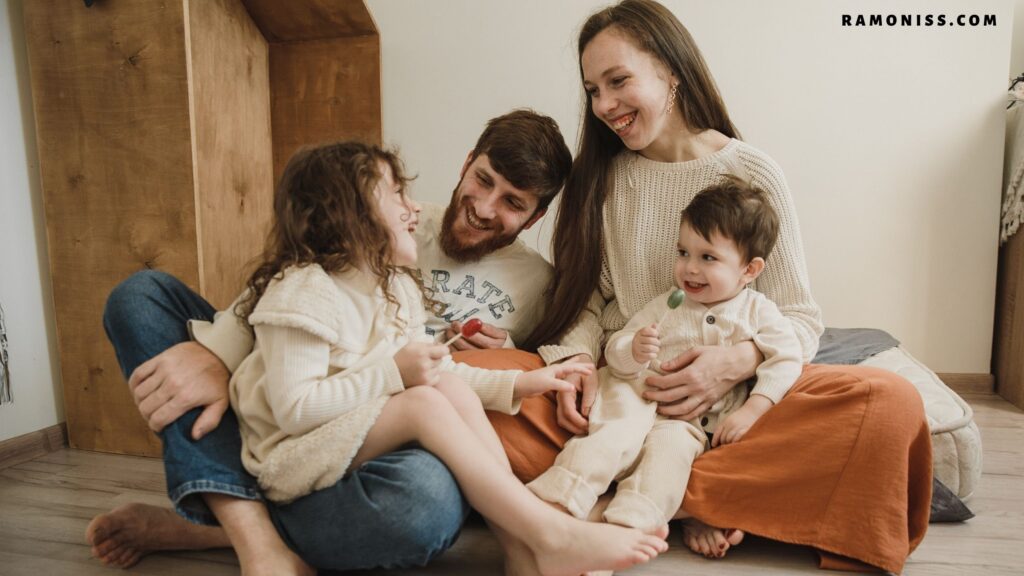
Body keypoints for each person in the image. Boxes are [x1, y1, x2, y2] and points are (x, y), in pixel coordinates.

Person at [485, 1, 932, 572]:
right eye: (593, 90)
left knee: (890, 404)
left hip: (728, 412)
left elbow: (797, 318)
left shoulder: (752, 173)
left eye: (618, 81)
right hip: (626, 387)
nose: (604, 106)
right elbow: (585, 303)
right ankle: (698, 497)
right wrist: (573, 364)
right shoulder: (599, 183)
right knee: (488, 383)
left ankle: (636, 495)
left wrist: (736, 362)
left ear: (671, 71)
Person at [88, 110, 572, 573]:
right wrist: (219, 353)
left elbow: (556, 353)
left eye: (513, 203)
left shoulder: (539, 284)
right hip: (296, 400)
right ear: (468, 162)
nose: (485, 208)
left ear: (534, 218)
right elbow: (282, 286)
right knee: (140, 296)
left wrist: (511, 358)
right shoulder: (384, 215)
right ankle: (251, 534)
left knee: (425, 500)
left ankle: (211, 528)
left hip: (393, 444)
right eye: (484, 180)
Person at [226, 140, 668, 575]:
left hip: (348, 436)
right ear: (349, 215)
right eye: (397, 195)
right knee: (423, 402)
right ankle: (549, 532)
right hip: (288, 456)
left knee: (448, 386)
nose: (414, 208)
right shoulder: (304, 291)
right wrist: (392, 374)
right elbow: (294, 411)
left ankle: (522, 550)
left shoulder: (394, 287)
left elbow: (439, 372)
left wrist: (520, 384)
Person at [527, 179, 803, 555]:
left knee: (669, 460)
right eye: (683, 252)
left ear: (750, 270)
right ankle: (557, 498)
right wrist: (635, 350)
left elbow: (787, 358)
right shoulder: (666, 306)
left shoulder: (758, 312)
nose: (689, 268)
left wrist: (756, 407)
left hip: (683, 424)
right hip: (635, 396)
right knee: (611, 438)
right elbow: (619, 347)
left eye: (708, 258)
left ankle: (627, 527)